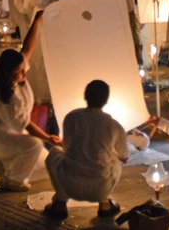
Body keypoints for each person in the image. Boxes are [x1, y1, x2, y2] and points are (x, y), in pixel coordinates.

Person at [0, 12, 57, 191]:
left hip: (14, 132)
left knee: (45, 164)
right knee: (35, 145)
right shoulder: (8, 97)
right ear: (8, 73)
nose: (24, 74)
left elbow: (27, 49)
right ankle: (13, 180)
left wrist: (37, 20)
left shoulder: (17, 76)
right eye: (19, 72)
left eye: (23, 69)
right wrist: (47, 138)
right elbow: (27, 125)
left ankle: (11, 164)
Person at [42, 79, 130, 221]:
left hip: (69, 184)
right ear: (106, 100)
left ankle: (59, 203)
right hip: (100, 188)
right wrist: (109, 151)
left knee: (53, 154)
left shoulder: (71, 118)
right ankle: (105, 204)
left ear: (85, 96)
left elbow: (66, 148)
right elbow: (124, 157)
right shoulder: (114, 125)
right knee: (115, 162)